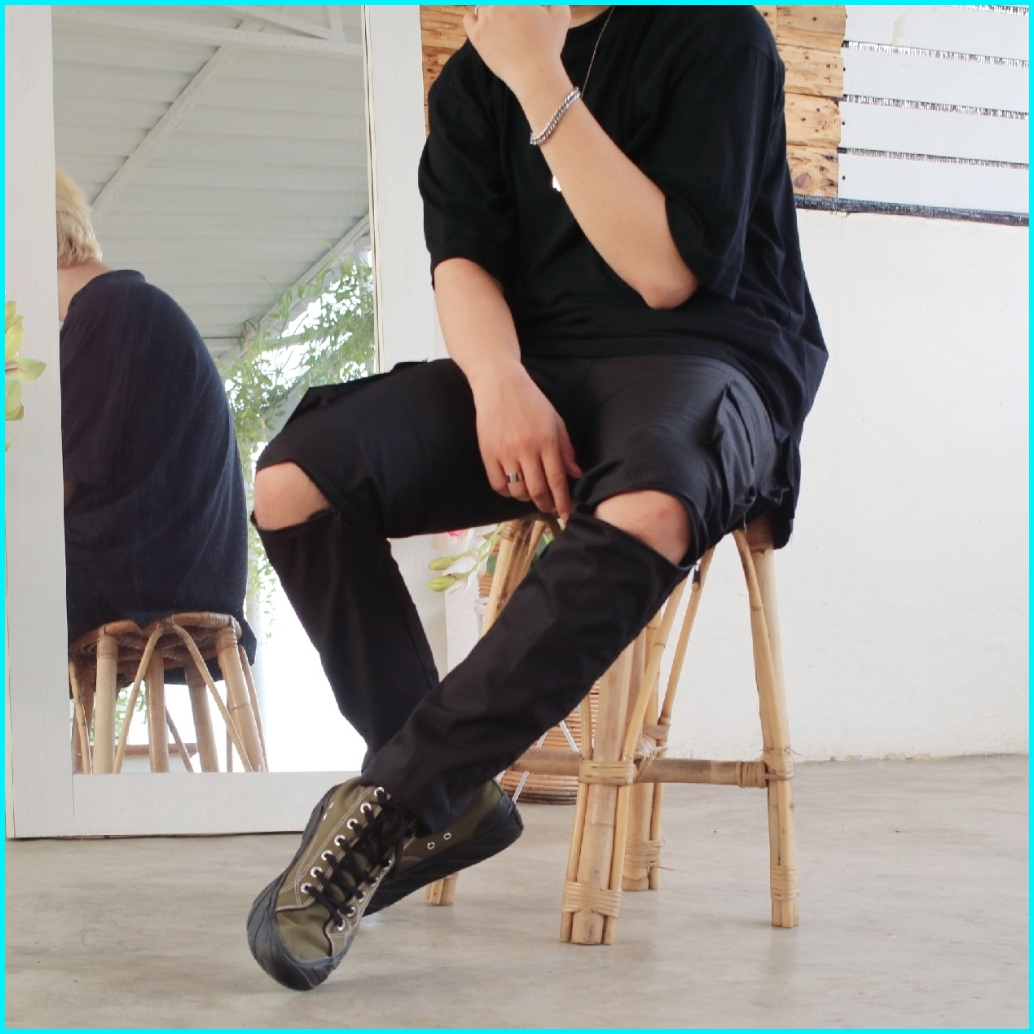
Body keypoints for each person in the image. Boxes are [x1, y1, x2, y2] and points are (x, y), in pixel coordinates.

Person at [246, 5, 826, 991]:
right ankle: (454, 799)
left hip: (709, 357)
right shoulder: (471, 78)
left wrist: (537, 76)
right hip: (539, 365)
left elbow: (665, 272)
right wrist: (497, 381)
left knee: (651, 499)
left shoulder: (713, 31)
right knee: (295, 480)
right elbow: (463, 261)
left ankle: (391, 805)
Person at [58, 169, 255, 674]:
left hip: (152, 576)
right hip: (187, 569)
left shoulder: (101, 312)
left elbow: (57, 491)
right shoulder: (126, 305)